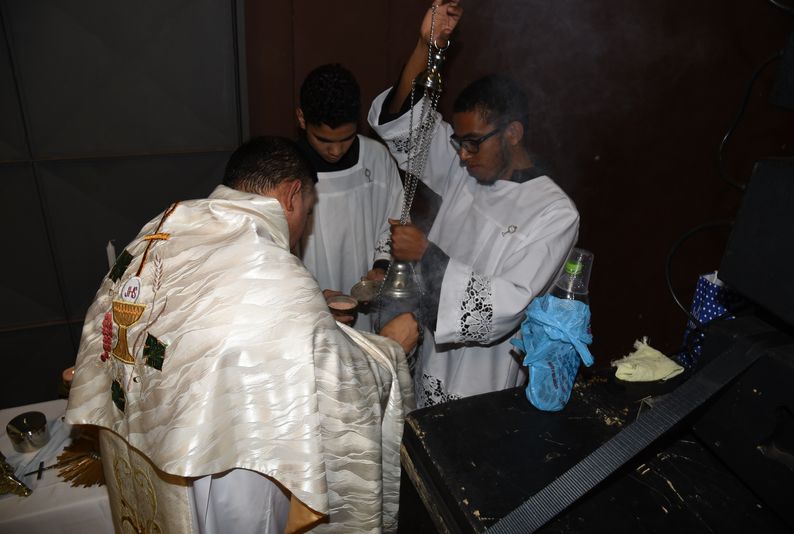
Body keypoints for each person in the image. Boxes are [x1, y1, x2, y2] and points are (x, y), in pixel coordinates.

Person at [65, 137, 416, 533]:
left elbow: (194, 316)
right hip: (230, 465)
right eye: (308, 211)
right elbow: (342, 392)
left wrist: (311, 309)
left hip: (147, 439)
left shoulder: (164, 227)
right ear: (292, 195)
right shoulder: (273, 271)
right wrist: (390, 348)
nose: (303, 226)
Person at [367, 0, 580, 407]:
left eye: (473, 143)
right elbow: (406, 121)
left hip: (483, 379)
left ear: (512, 133)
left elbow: (506, 307)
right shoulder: (465, 169)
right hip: (429, 353)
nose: (462, 155)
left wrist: (426, 254)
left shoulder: (554, 213)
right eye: (458, 142)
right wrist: (424, 47)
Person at [295, 63, 405, 330]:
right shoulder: (287, 170)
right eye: (323, 140)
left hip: (366, 305)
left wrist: (381, 266)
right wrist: (309, 302)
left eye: (345, 139)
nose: (335, 151)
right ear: (301, 119)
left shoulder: (376, 159)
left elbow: (394, 221)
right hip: (307, 308)